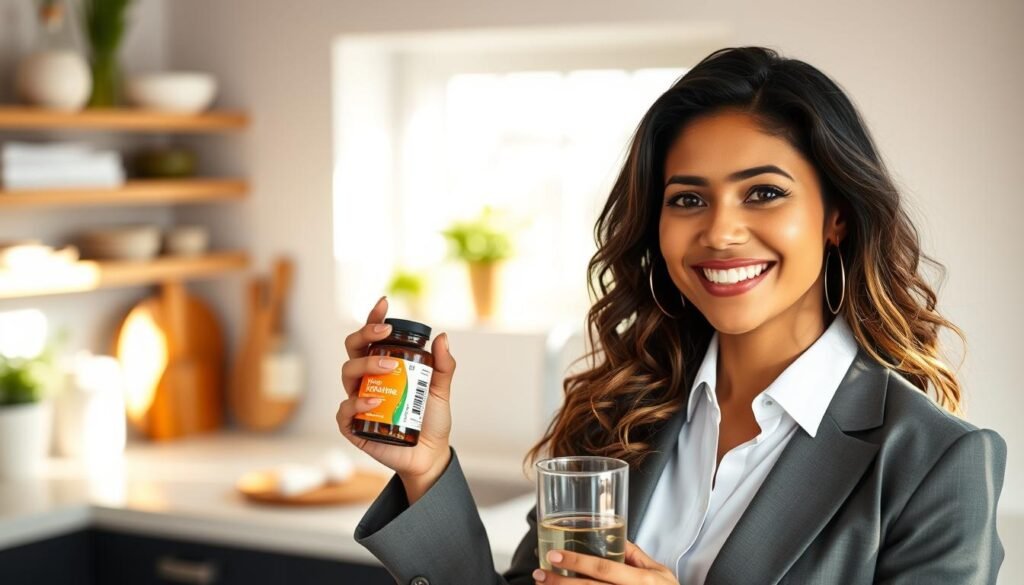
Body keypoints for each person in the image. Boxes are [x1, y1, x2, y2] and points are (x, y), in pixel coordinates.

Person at [336, 46, 1006, 584]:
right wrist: (427, 468)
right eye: (688, 200)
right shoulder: (617, 412)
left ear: (835, 215)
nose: (721, 232)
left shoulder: (934, 462)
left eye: (763, 193)